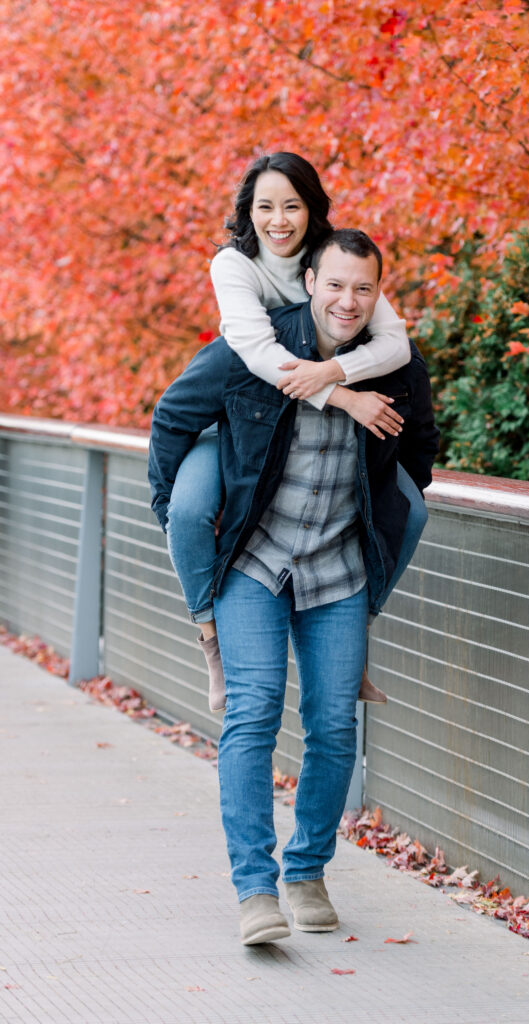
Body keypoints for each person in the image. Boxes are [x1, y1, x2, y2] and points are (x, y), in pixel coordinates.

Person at [149, 229, 440, 945]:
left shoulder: (396, 366)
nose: (347, 300)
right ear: (309, 280)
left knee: (334, 724)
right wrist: (176, 509)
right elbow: (171, 418)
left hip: (337, 568)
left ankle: (306, 870)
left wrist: (383, 509)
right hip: (256, 563)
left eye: (363, 289)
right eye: (335, 284)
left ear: (378, 294)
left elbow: (421, 449)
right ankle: (255, 890)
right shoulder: (253, 352)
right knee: (251, 715)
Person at [165, 152, 425, 712]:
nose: (278, 220)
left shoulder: (336, 262)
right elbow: (258, 353)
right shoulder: (234, 265)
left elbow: (396, 344)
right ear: (248, 212)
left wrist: (332, 372)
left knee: (413, 512)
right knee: (186, 511)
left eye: (292, 205)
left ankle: (356, 638)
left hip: (307, 413)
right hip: (238, 417)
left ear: (311, 210)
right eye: (265, 206)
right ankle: (209, 634)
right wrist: (345, 396)